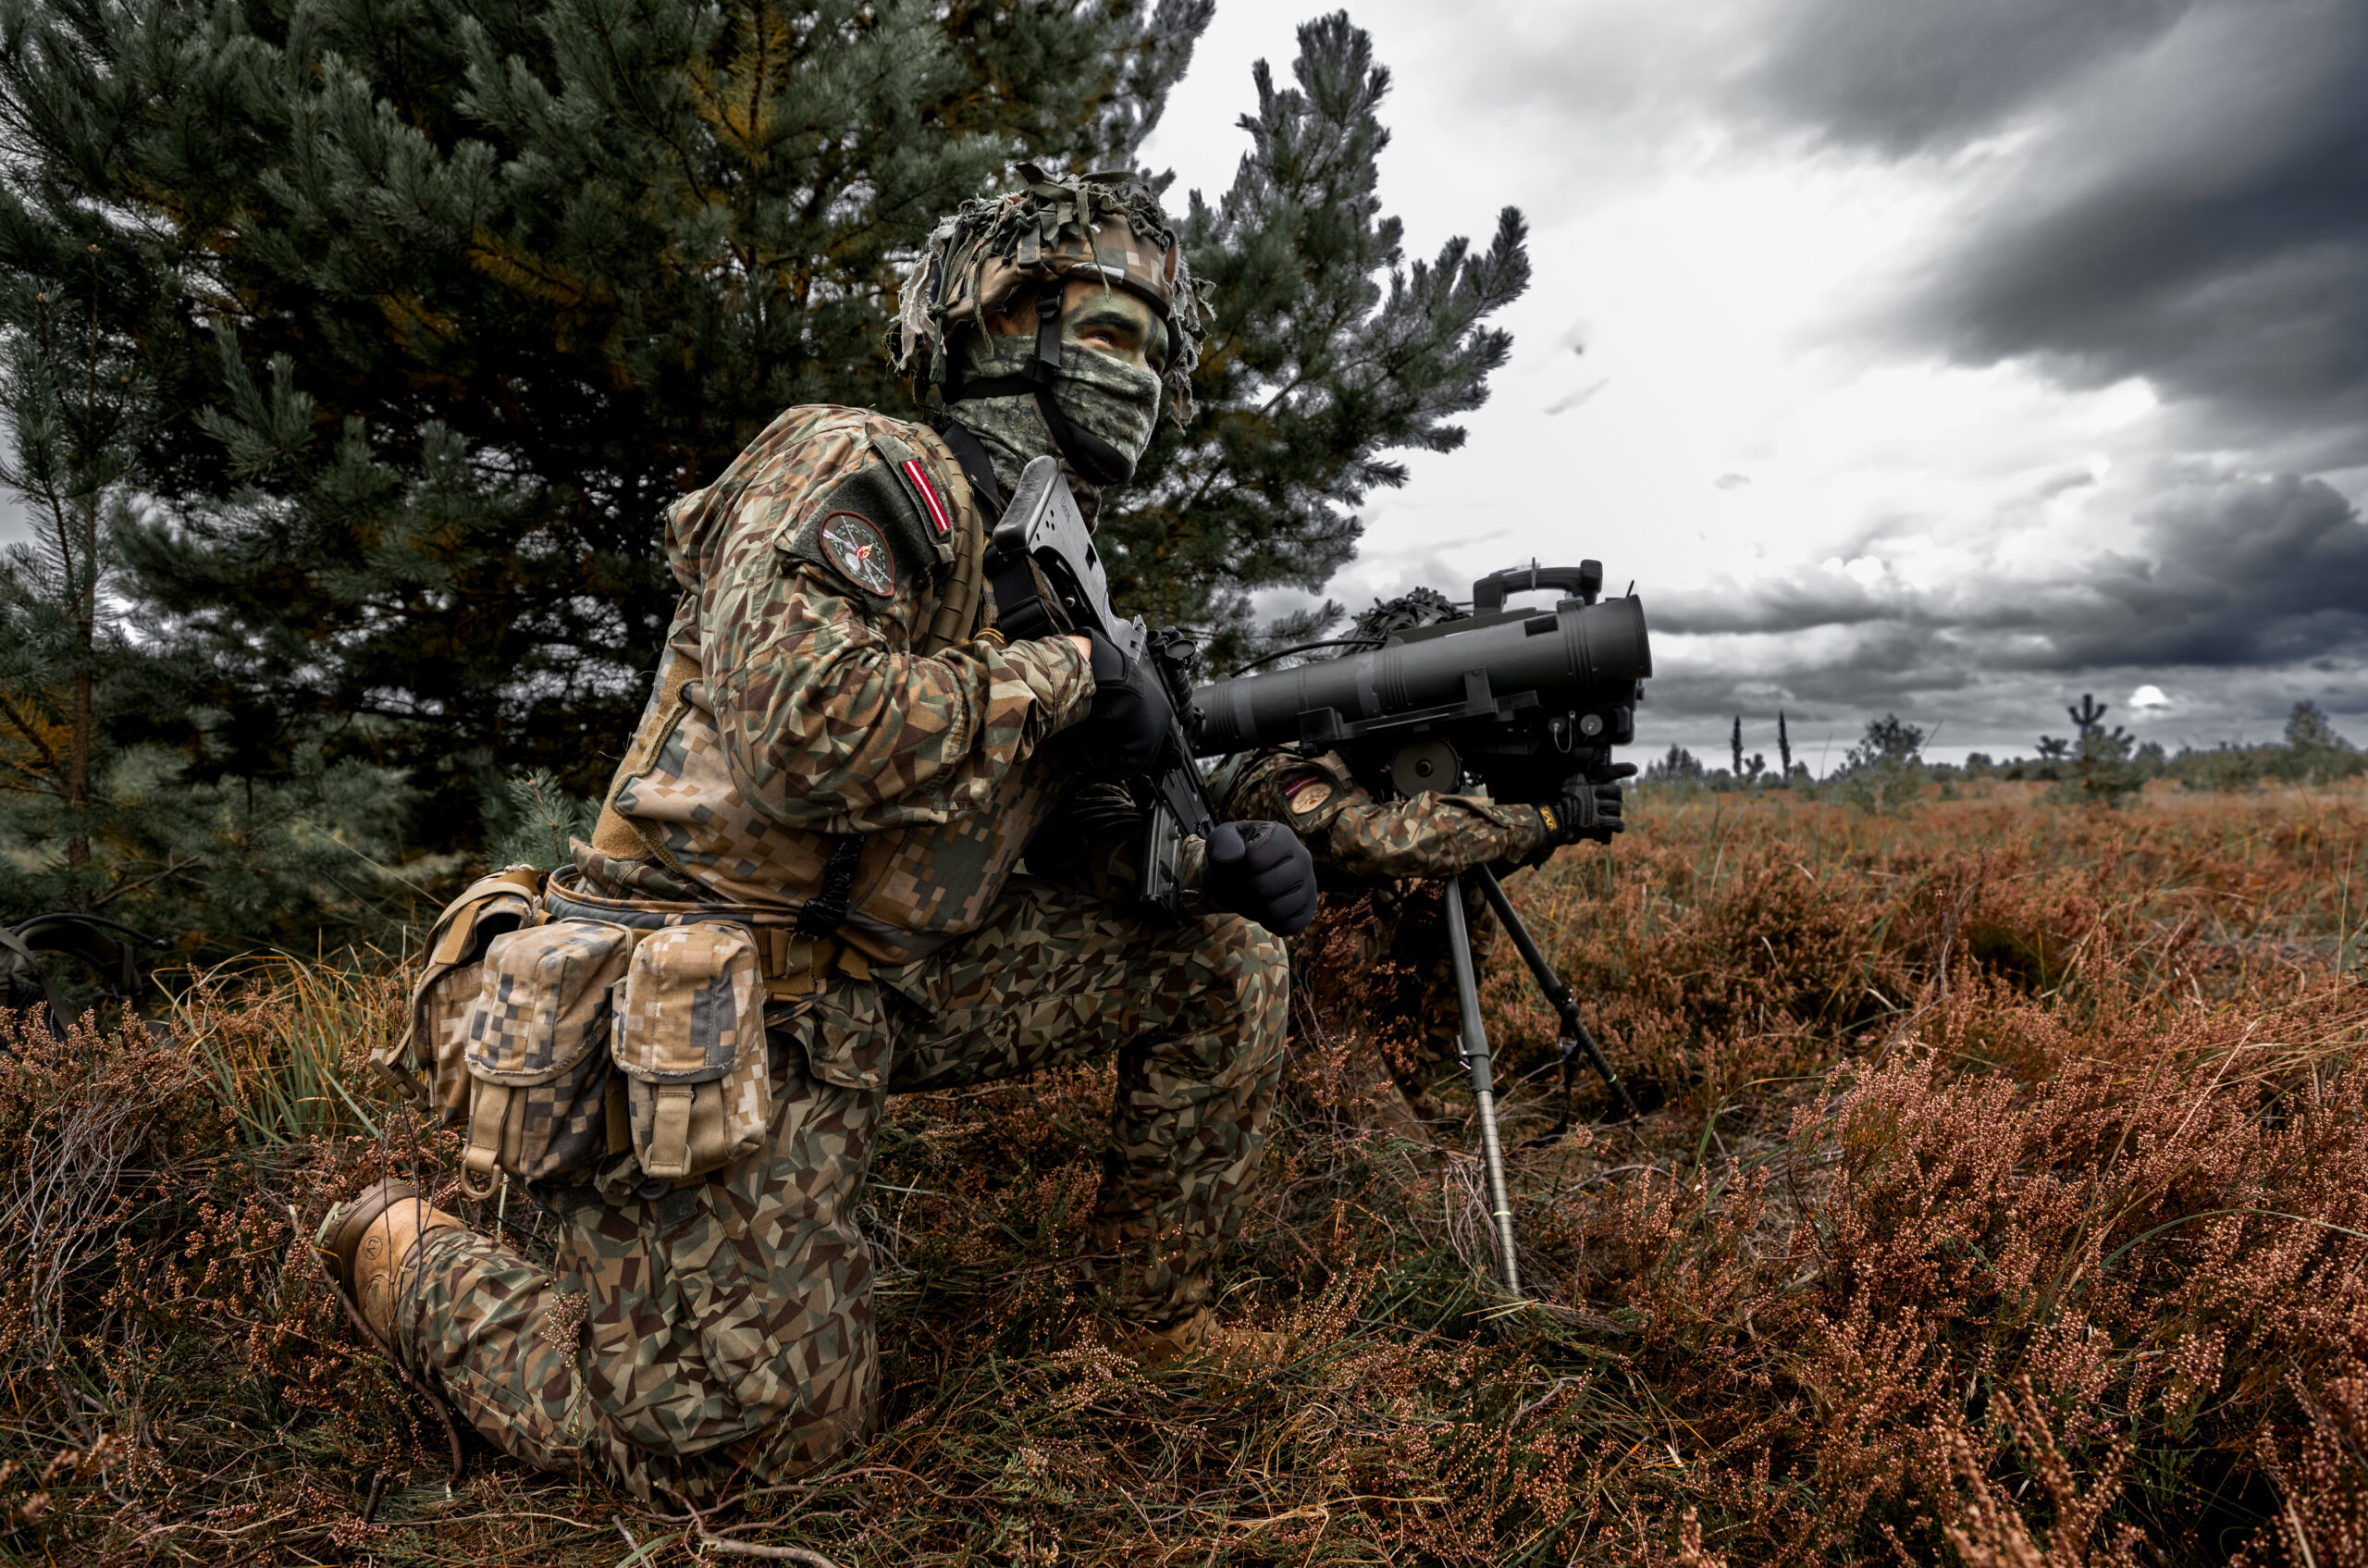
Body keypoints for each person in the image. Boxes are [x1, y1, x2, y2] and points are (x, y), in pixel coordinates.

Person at [319, 168, 1318, 1501]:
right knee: (741, 1445)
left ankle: (1155, 1313)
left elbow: (1035, 827)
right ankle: (391, 1244)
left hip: (889, 977)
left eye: (1157, 354)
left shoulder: (1056, 567)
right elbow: (809, 737)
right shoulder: (855, 464)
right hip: (719, 996)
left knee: (1223, 962)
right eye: (1115, 334)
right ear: (1000, 318)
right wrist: (1071, 682)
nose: (1142, 381)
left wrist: (1211, 860)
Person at [1210, 588, 1631, 1138]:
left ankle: (1410, 1082)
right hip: (1284, 986)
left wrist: (1549, 826)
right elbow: (1371, 841)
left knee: (1461, 895)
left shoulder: (1382, 762)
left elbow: (1438, 855)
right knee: (1405, 1168)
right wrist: (1543, 819)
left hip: (1351, 958)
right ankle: (1333, 1107)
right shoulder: (1290, 762)